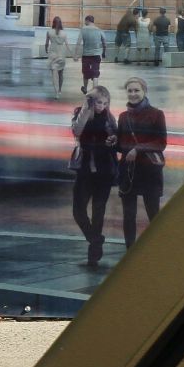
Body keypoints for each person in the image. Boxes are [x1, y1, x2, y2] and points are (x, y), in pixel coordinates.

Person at [68, 84, 117, 269]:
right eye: (98, 102)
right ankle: (95, 239)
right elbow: (77, 130)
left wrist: (114, 139)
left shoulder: (109, 117)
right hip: (85, 170)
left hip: (104, 171)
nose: (101, 106)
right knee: (78, 210)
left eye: (105, 103)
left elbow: (115, 136)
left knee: (98, 212)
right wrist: (87, 107)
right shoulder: (81, 112)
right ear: (90, 100)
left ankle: (93, 253)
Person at [115, 77, 167, 249]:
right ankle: (130, 250)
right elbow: (119, 145)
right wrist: (112, 141)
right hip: (128, 172)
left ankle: (156, 248)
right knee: (128, 215)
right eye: (130, 91)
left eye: (136, 90)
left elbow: (161, 143)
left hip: (149, 171)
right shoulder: (123, 117)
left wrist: (138, 149)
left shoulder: (156, 114)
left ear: (144, 91)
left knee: (153, 213)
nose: (133, 94)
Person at [44, 16, 75, 97]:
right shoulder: (64, 33)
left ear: (53, 23)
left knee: (54, 75)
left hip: (52, 55)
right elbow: (68, 45)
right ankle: (60, 89)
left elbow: (46, 44)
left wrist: (46, 49)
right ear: (61, 23)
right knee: (61, 74)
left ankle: (56, 92)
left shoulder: (49, 32)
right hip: (61, 55)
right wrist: (73, 55)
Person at [77, 14, 106, 93]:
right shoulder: (99, 30)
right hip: (96, 55)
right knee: (95, 74)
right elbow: (104, 42)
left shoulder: (83, 29)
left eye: (85, 21)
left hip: (86, 55)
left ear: (87, 20)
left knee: (86, 73)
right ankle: (95, 92)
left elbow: (78, 42)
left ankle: (85, 88)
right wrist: (104, 52)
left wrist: (76, 54)